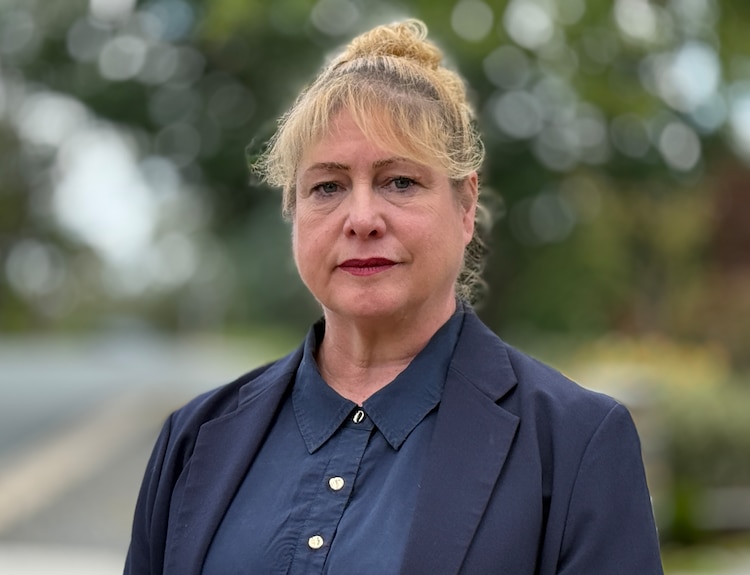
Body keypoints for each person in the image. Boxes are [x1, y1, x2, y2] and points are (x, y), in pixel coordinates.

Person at [124, 19, 663, 574]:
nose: (361, 219)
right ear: (293, 209)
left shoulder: (574, 446)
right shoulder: (194, 440)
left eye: (400, 182)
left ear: (465, 205)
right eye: (327, 187)